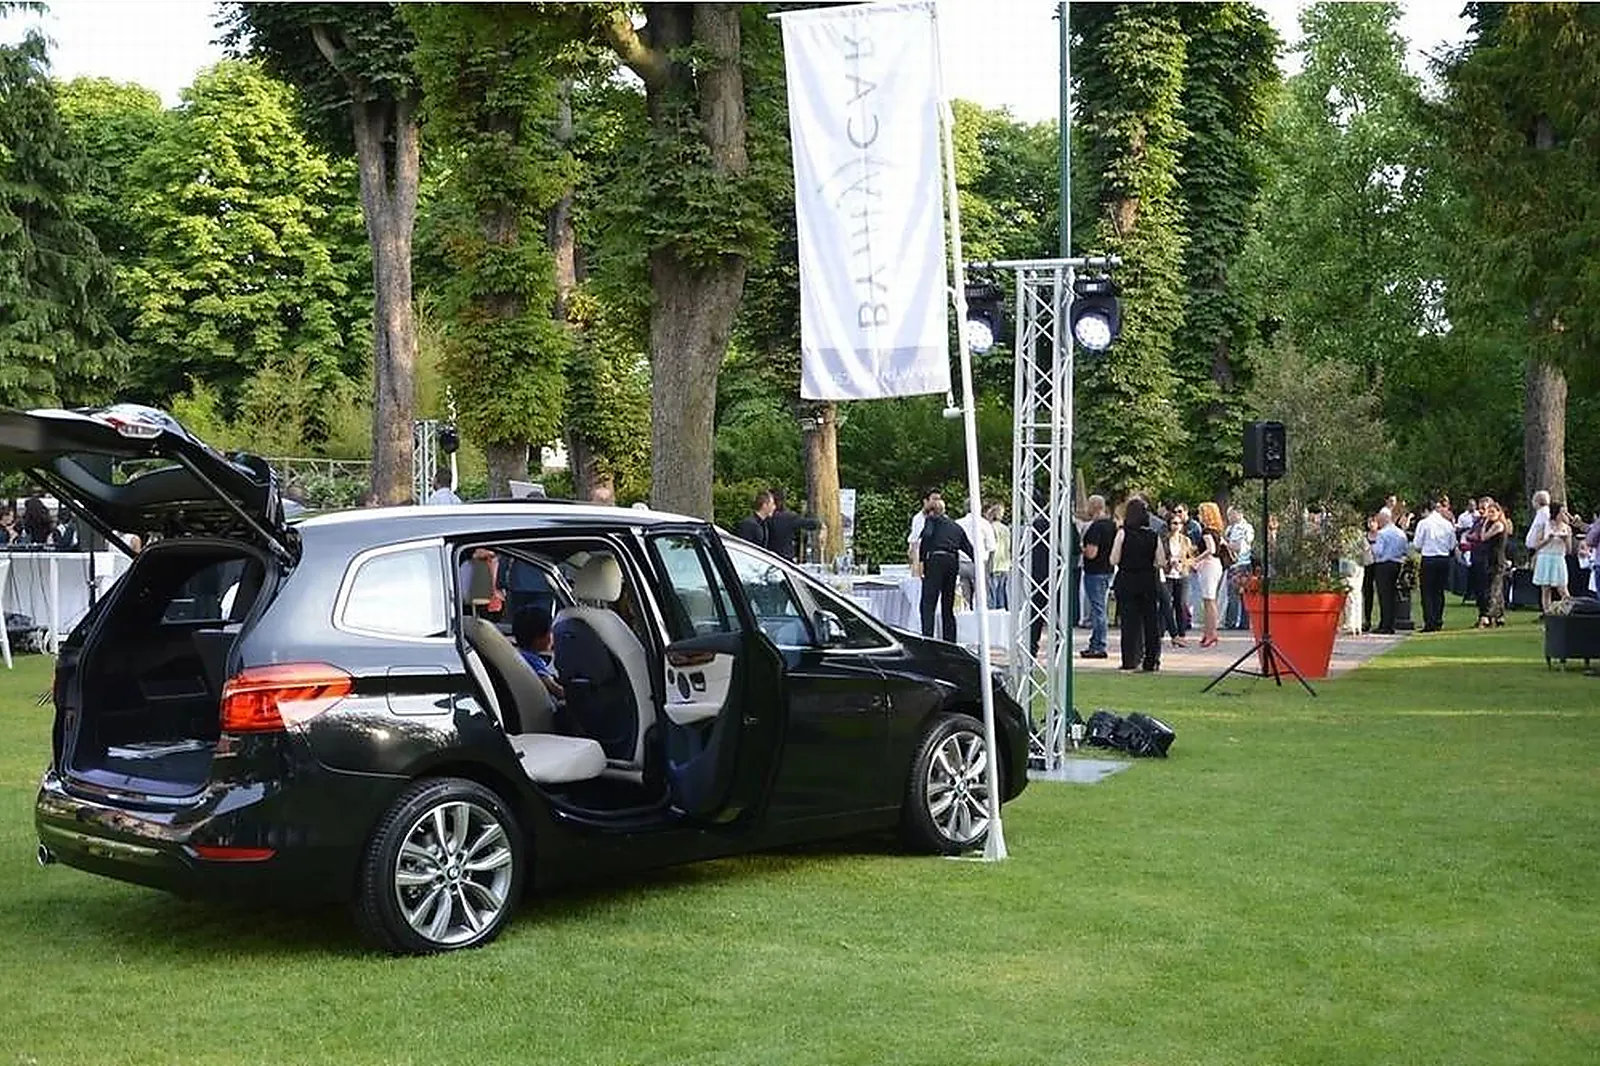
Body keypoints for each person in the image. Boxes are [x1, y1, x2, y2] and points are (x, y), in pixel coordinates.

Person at [1110, 496, 1167, 672]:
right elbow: (1161, 561)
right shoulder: (1153, 535)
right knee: (1150, 622)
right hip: (1148, 580)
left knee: (1129, 623)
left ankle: (1130, 659)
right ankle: (1151, 660)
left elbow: (1114, 559)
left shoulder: (1123, 533)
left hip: (1127, 579)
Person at [916, 498, 973, 642]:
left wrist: (922, 561)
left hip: (935, 560)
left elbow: (926, 538)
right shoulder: (956, 527)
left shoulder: (931, 521)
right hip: (952, 562)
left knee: (928, 602)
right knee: (948, 603)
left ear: (932, 512)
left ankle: (928, 637)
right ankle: (950, 639)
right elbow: (968, 548)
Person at [1077, 495, 1117, 659]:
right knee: (1101, 607)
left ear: (1094, 507)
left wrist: (1081, 548)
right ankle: (1095, 643)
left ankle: (1099, 645)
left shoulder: (1095, 528)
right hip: (1108, 569)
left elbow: (1092, 553)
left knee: (1098, 610)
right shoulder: (1112, 525)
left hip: (1095, 572)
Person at [1412, 498, 1456, 632]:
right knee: (1439, 591)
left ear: (1426, 510)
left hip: (1429, 558)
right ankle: (1438, 620)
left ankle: (1429, 622)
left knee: (1427, 592)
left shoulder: (1424, 523)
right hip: (1443, 559)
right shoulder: (1447, 524)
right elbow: (1452, 545)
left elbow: (1417, 544)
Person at [1469, 498, 1510, 627]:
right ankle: (1498, 616)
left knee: (1492, 589)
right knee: (1495, 588)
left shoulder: (1498, 525)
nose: (1490, 514)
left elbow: (1483, 537)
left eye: (1492, 512)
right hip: (1490, 559)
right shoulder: (1490, 524)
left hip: (1497, 559)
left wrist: (1485, 522)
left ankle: (1487, 616)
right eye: (1489, 512)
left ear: (1499, 512)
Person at [511, 605, 564, 702]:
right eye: (550, 632)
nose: (552, 636)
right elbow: (553, 688)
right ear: (539, 638)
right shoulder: (533, 661)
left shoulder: (518, 656)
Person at [1369, 510, 1409, 634]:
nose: (1378, 523)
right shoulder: (1400, 533)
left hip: (1383, 565)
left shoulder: (1382, 534)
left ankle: (1385, 625)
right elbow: (1405, 550)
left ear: (1384, 519)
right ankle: (1389, 623)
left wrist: (1371, 547)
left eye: (1379, 520)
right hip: (1396, 564)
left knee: (1384, 596)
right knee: (1392, 595)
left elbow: (1378, 551)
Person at [1193, 501, 1226, 647]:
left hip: (1209, 565)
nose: (1199, 516)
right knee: (1208, 600)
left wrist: (1195, 559)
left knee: (1209, 599)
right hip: (1215, 565)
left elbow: (1211, 550)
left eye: (1201, 513)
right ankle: (1208, 632)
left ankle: (1211, 633)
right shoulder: (1217, 532)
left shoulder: (1207, 532)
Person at [1532, 501, 1572, 612]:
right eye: (1562, 512)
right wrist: (1547, 540)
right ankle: (1547, 613)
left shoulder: (1567, 528)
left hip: (1558, 557)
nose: (1564, 515)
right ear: (1556, 513)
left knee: (1562, 588)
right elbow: (1536, 545)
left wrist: (1566, 540)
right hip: (1545, 557)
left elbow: (1569, 550)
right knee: (1546, 589)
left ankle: (1569, 612)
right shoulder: (1544, 525)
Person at [1161, 509, 1194, 646]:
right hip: (1168, 575)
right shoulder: (1164, 540)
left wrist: (1183, 564)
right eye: (1174, 523)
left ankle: (1181, 634)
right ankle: (1161, 634)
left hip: (1181, 575)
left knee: (1180, 604)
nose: (1177, 526)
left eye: (1179, 523)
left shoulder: (1186, 540)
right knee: (1165, 604)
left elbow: (1191, 558)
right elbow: (1160, 558)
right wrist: (1169, 562)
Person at [955, 505, 997, 609]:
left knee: (964, 596)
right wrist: (990, 566)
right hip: (979, 563)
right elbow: (991, 546)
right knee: (981, 596)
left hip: (961, 562)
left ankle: (967, 613)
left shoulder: (958, 523)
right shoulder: (984, 524)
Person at [764, 488, 820, 562]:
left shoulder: (763, 518)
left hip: (766, 558)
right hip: (784, 559)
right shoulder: (788, 517)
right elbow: (809, 524)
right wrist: (820, 524)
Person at [1221, 506, 1255, 629]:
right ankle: (1238, 621)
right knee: (1235, 594)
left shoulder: (1244, 528)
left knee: (1237, 594)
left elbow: (1238, 547)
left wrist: (1225, 544)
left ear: (1239, 514)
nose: (1229, 517)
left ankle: (1234, 622)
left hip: (1240, 563)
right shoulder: (1230, 528)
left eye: (1231, 514)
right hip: (1234, 564)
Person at [906, 489, 942, 567]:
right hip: (921, 558)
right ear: (925, 501)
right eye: (934, 499)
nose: (937, 503)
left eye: (939, 499)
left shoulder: (943, 520)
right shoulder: (917, 519)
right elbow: (914, 540)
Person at [985, 501, 1010, 610]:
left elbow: (990, 546)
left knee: (993, 593)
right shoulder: (1006, 528)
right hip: (1005, 563)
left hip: (993, 563)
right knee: (1002, 592)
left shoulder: (990, 527)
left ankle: (994, 615)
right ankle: (1004, 612)